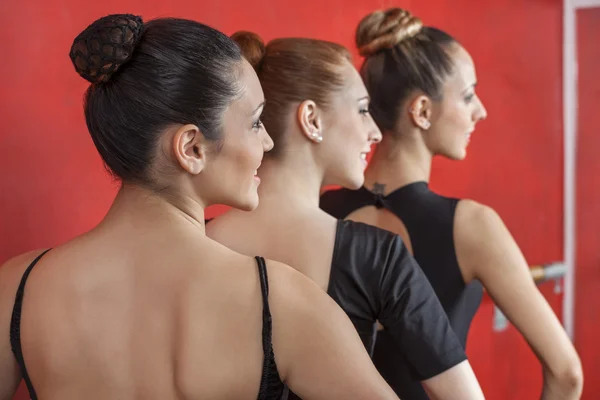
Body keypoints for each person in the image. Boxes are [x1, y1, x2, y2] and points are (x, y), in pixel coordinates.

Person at [0, 14, 399, 400]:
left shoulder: (19, 288)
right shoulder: (282, 302)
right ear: (191, 148)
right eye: (257, 123)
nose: (268, 143)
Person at [320, 7, 583, 399]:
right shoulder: (472, 225)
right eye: (468, 95)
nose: (481, 110)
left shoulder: (320, 208)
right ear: (422, 111)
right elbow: (567, 374)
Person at [207, 31, 485, 399]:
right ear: (311, 119)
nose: (374, 132)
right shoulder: (375, 256)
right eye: (362, 109)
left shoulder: (196, 240)